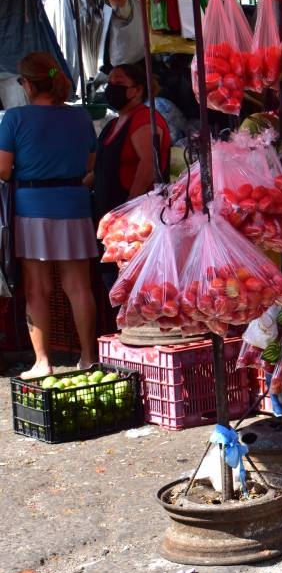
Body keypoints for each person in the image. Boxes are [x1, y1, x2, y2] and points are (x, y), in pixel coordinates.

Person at [0, 52, 99, 378]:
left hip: (32, 208)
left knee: (37, 288)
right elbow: (89, 165)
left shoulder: (14, 118)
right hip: (74, 205)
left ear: (27, 83)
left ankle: (43, 363)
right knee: (79, 287)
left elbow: (3, 170)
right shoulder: (80, 117)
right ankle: (88, 358)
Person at [90, 63, 171, 223]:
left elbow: (148, 165)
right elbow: (103, 167)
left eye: (119, 83)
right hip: (109, 211)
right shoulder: (113, 124)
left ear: (138, 90)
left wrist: (129, 207)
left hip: (137, 216)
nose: (111, 87)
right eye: (110, 83)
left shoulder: (144, 119)